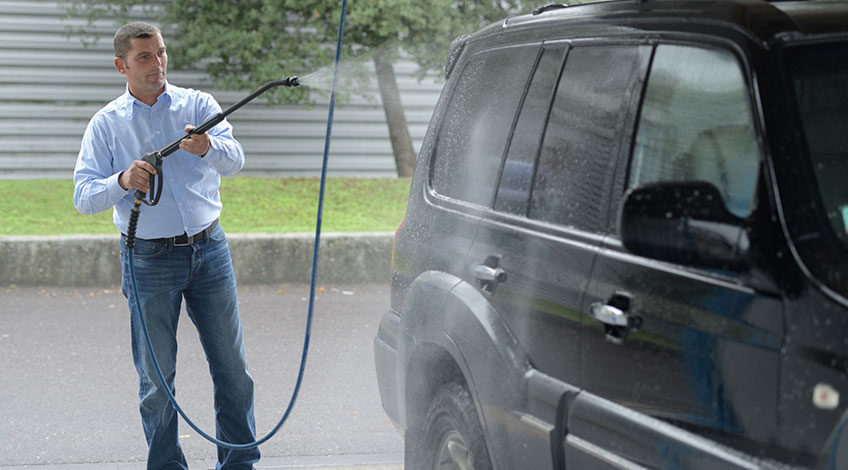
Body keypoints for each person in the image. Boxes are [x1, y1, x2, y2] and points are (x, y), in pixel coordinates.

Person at [73, 22, 260, 470]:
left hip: (209, 249)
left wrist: (208, 146)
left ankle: (239, 464)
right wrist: (121, 181)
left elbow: (236, 161)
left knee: (233, 369)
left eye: (160, 53)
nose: (156, 64)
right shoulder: (106, 125)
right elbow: (83, 196)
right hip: (147, 260)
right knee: (157, 380)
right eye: (143, 57)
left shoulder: (199, 105)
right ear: (121, 65)